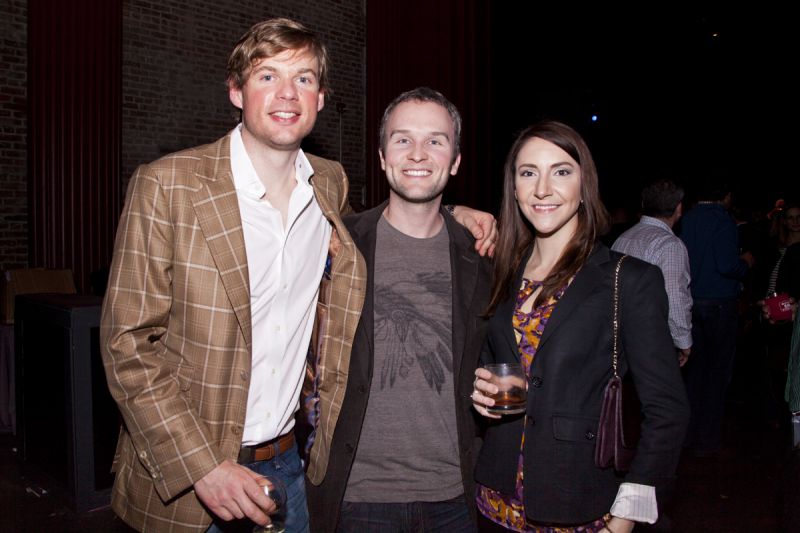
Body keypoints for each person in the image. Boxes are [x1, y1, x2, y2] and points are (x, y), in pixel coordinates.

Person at [100, 18, 496, 533]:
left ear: (321, 99)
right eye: (268, 76)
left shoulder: (328, 186)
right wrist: (203, 466)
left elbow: (399, 220)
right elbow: (126, 345)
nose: (287, 93)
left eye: (304, 78)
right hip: (191, 479)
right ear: (236, 91)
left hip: (292, 467)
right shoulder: (168, 185)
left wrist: (458, 213)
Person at [470, 120, 689, 532]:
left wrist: (624, 519)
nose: (542, 189)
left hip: (580, 506)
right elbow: (489, 361)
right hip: (495, 502)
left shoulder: (629, 279)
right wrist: (479, 391)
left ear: (584, 183)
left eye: (562, 171)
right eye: (528, 172)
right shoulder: (502, 270)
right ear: (513, 187)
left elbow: (667, 410)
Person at [304, 87, 490, 532]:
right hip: (358, 496)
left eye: (436, 140)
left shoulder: (483, 256)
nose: (418, 153)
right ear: (384, 157)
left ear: (456, 160)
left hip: (457, 496)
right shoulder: (336, 244)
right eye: (403, 139)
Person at [679, 179, 754, 457]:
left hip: (693, 302)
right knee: (717, 373)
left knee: (694, 372)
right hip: (720, 304)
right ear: (727, 195)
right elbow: (726, 264)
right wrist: (745, 262)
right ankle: (706, 439)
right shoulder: (723, 220)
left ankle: (687, 435)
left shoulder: (686, 218)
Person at [612, 178, 692, 366]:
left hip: (620, 336)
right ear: (679, 208)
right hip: (652, 341)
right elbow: (674, 295)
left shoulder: (623, 238)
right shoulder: (669, 245)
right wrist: (683, 341)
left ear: (643, 204)